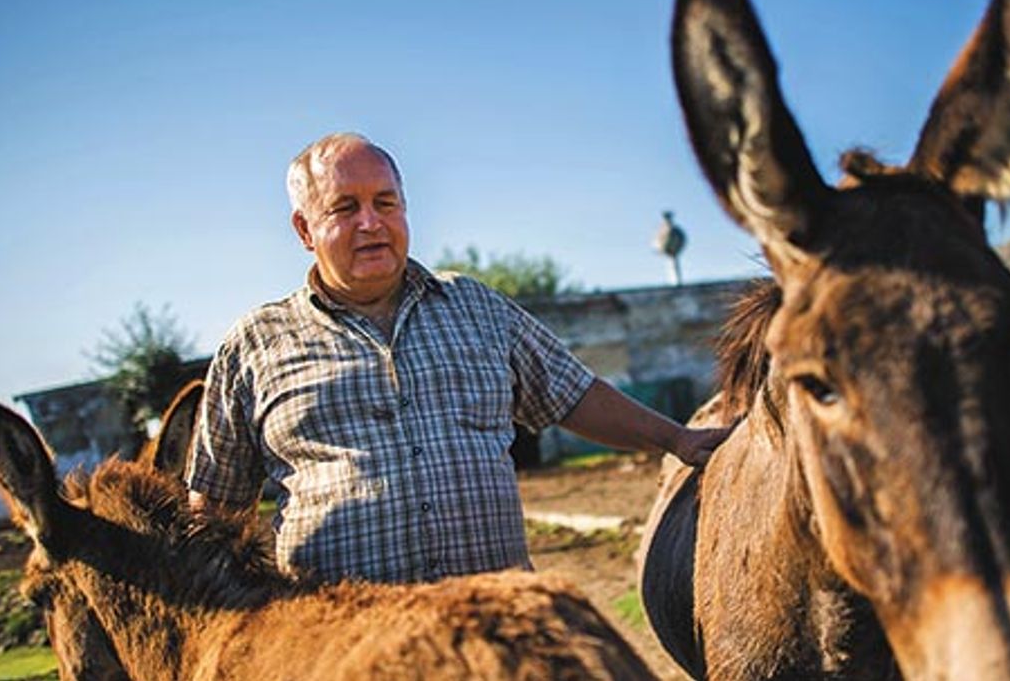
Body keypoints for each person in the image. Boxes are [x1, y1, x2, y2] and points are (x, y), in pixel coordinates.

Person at [187, 132, 731, 585]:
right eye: (344, 208)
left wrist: (677, 439)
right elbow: (211, 513)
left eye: (385, 202)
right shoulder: (255, 345)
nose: (371, 223)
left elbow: (573, 394)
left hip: (500, 637)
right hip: (343, 650)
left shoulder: (476, 307)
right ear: (305, 230)